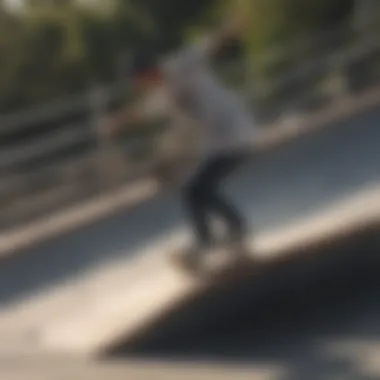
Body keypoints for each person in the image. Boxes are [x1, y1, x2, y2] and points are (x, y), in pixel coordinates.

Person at [104, 17, 257, 271]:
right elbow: (142, 112)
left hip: (237, 133)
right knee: (195, 190)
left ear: (148, 71)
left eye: (140, 81)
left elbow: (207, 46)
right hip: (220, 143)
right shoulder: (161, 93)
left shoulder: (180, 65)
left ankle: (221, 238)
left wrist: (229, 30)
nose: (142, 87)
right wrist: (118, 122)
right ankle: (218, 239)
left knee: (197, 189)